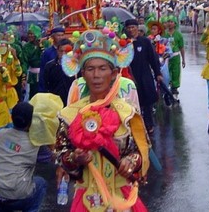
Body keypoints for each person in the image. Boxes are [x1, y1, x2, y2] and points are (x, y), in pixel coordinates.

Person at [55, 29, 150, 211]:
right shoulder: (70, 114)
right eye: (90, 69)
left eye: (102, 68)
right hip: (86, 199)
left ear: (113, 73)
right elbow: (61, 156)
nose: (96, 75)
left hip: (121, 198)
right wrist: (75, 158)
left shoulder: (128, 113)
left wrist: (131, 161)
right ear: (83, 73)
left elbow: (142, 151)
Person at [0, 102, 47, 212]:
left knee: (2, 197)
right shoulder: (34, 143)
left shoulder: (0, 134)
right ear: (31, 122)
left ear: (11, 117)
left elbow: (13, 147)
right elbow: (49, 157)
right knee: (41, 183)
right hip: (18, 197)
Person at [124, 19, 163, 134]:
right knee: (134, 102)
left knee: (147, 102)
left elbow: (153, 59)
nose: (131, 30)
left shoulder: (145, 42)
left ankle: (149, 124)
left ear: (137, 28)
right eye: (129, 28)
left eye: (133, 27)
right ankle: (135, 125)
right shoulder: (124, 43)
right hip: (131, 77)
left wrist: (158, 73)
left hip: (144, 75)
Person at [42, 38, 75, 106]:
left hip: (71, 103)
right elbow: (45, 85)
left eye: (66, 52)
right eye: (61, 51)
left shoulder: (76, 67)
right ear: (57, 51)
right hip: (54, 103)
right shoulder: (50, 66)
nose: (63, 54)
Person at [162, 15, 186, 102]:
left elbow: (181, 47)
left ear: (175, 24)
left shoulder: (178, 35)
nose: (169, 23)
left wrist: (183, 59)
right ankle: (166, 90)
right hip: (166, 57)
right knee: (166, 73)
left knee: (176, 72)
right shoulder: (164, 34)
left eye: (171, 22)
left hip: (175, 57)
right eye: (168, 21)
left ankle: (174, 90)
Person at [38, 27, 66, 94]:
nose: (60, 37)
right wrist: (42, 90)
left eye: (62, 35)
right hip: (53, 86)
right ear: (53, 37)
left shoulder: (69, 51)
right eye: (58, 35)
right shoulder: (47, 53)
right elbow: (42, 72)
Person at [21, 25, 43, 101]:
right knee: (33, 94)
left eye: (32, 33)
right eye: (29, 34)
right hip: (33, 75)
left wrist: (41, 47)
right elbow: (24, 63)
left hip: (44, 74)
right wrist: (23, 78)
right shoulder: (26, 47)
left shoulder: (44, 44)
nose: (30, 35)